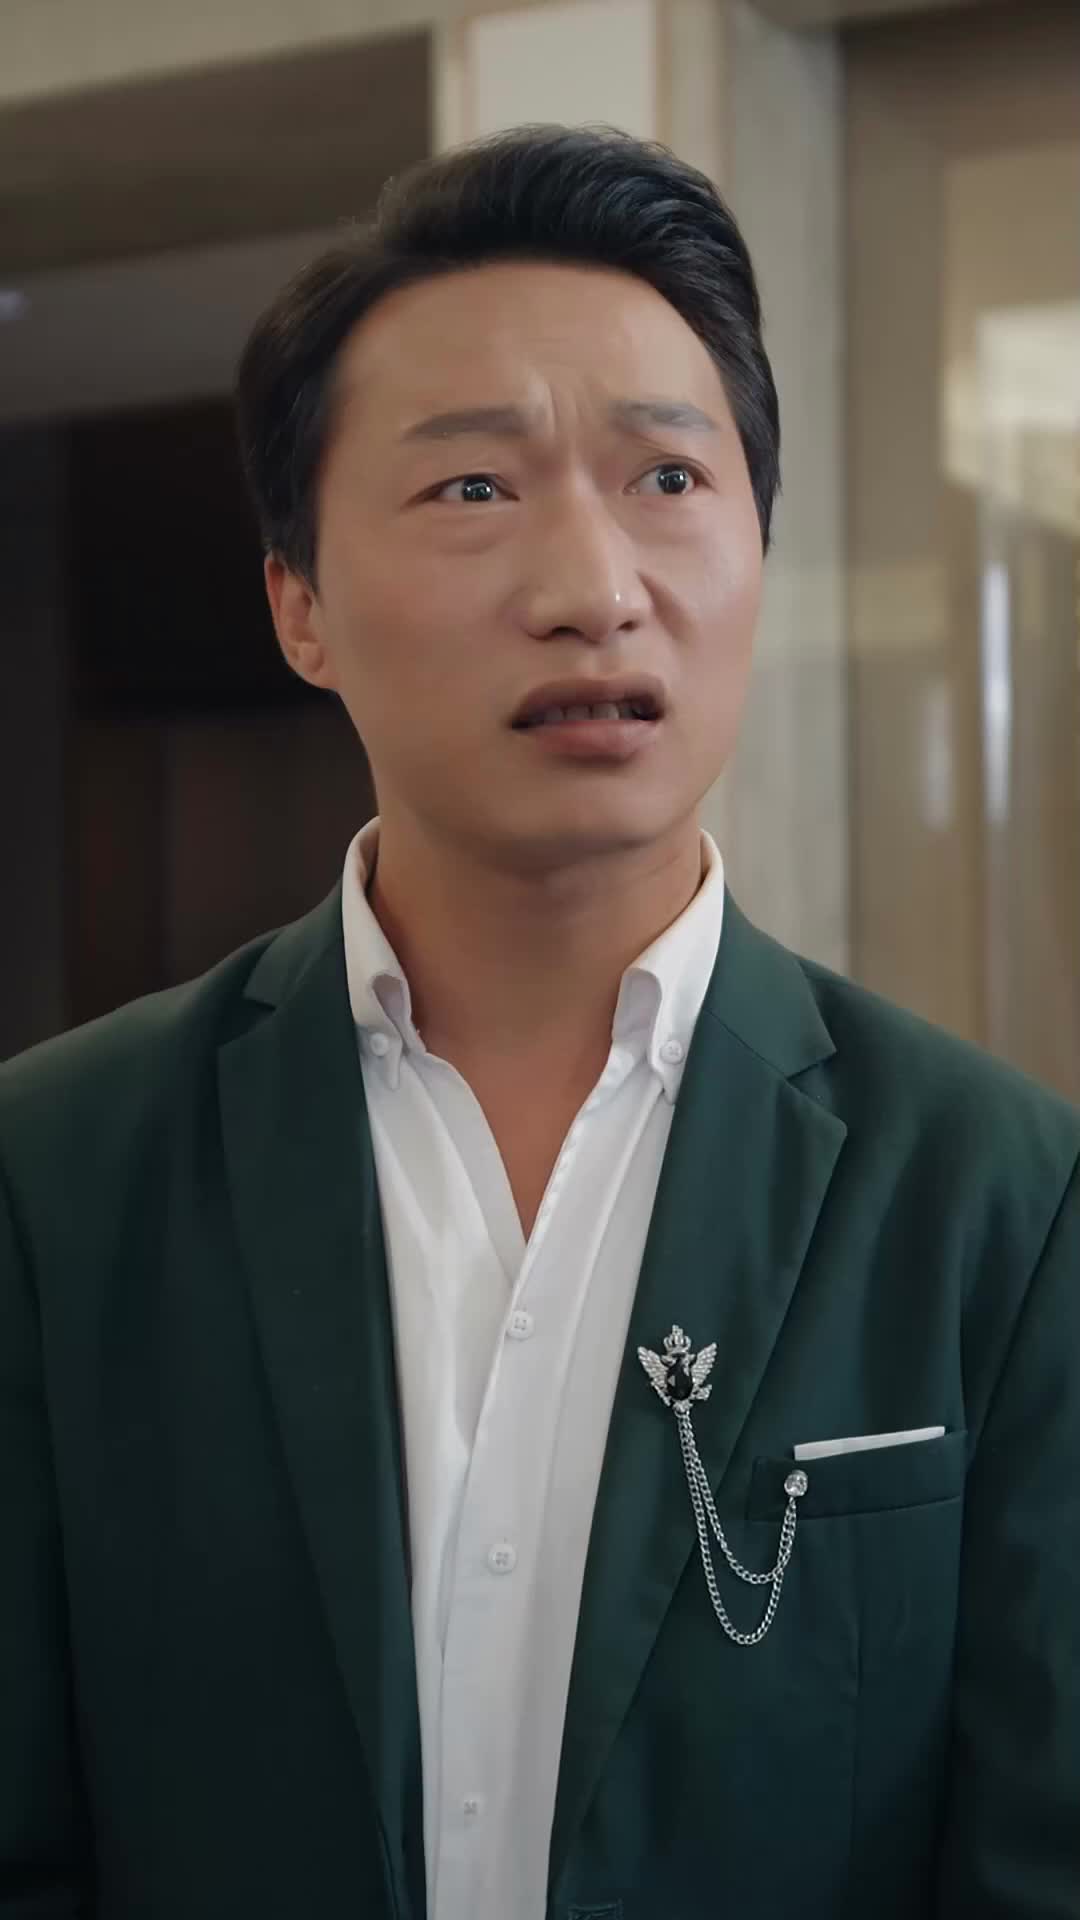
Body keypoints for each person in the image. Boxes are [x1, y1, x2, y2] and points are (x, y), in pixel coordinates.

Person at [1, 123, 1077, 1920]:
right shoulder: (60, 1174)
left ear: (756, 545)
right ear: (299, 604)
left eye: (668, 476)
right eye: (472, 489)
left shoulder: (999, 1196)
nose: (594, 586)